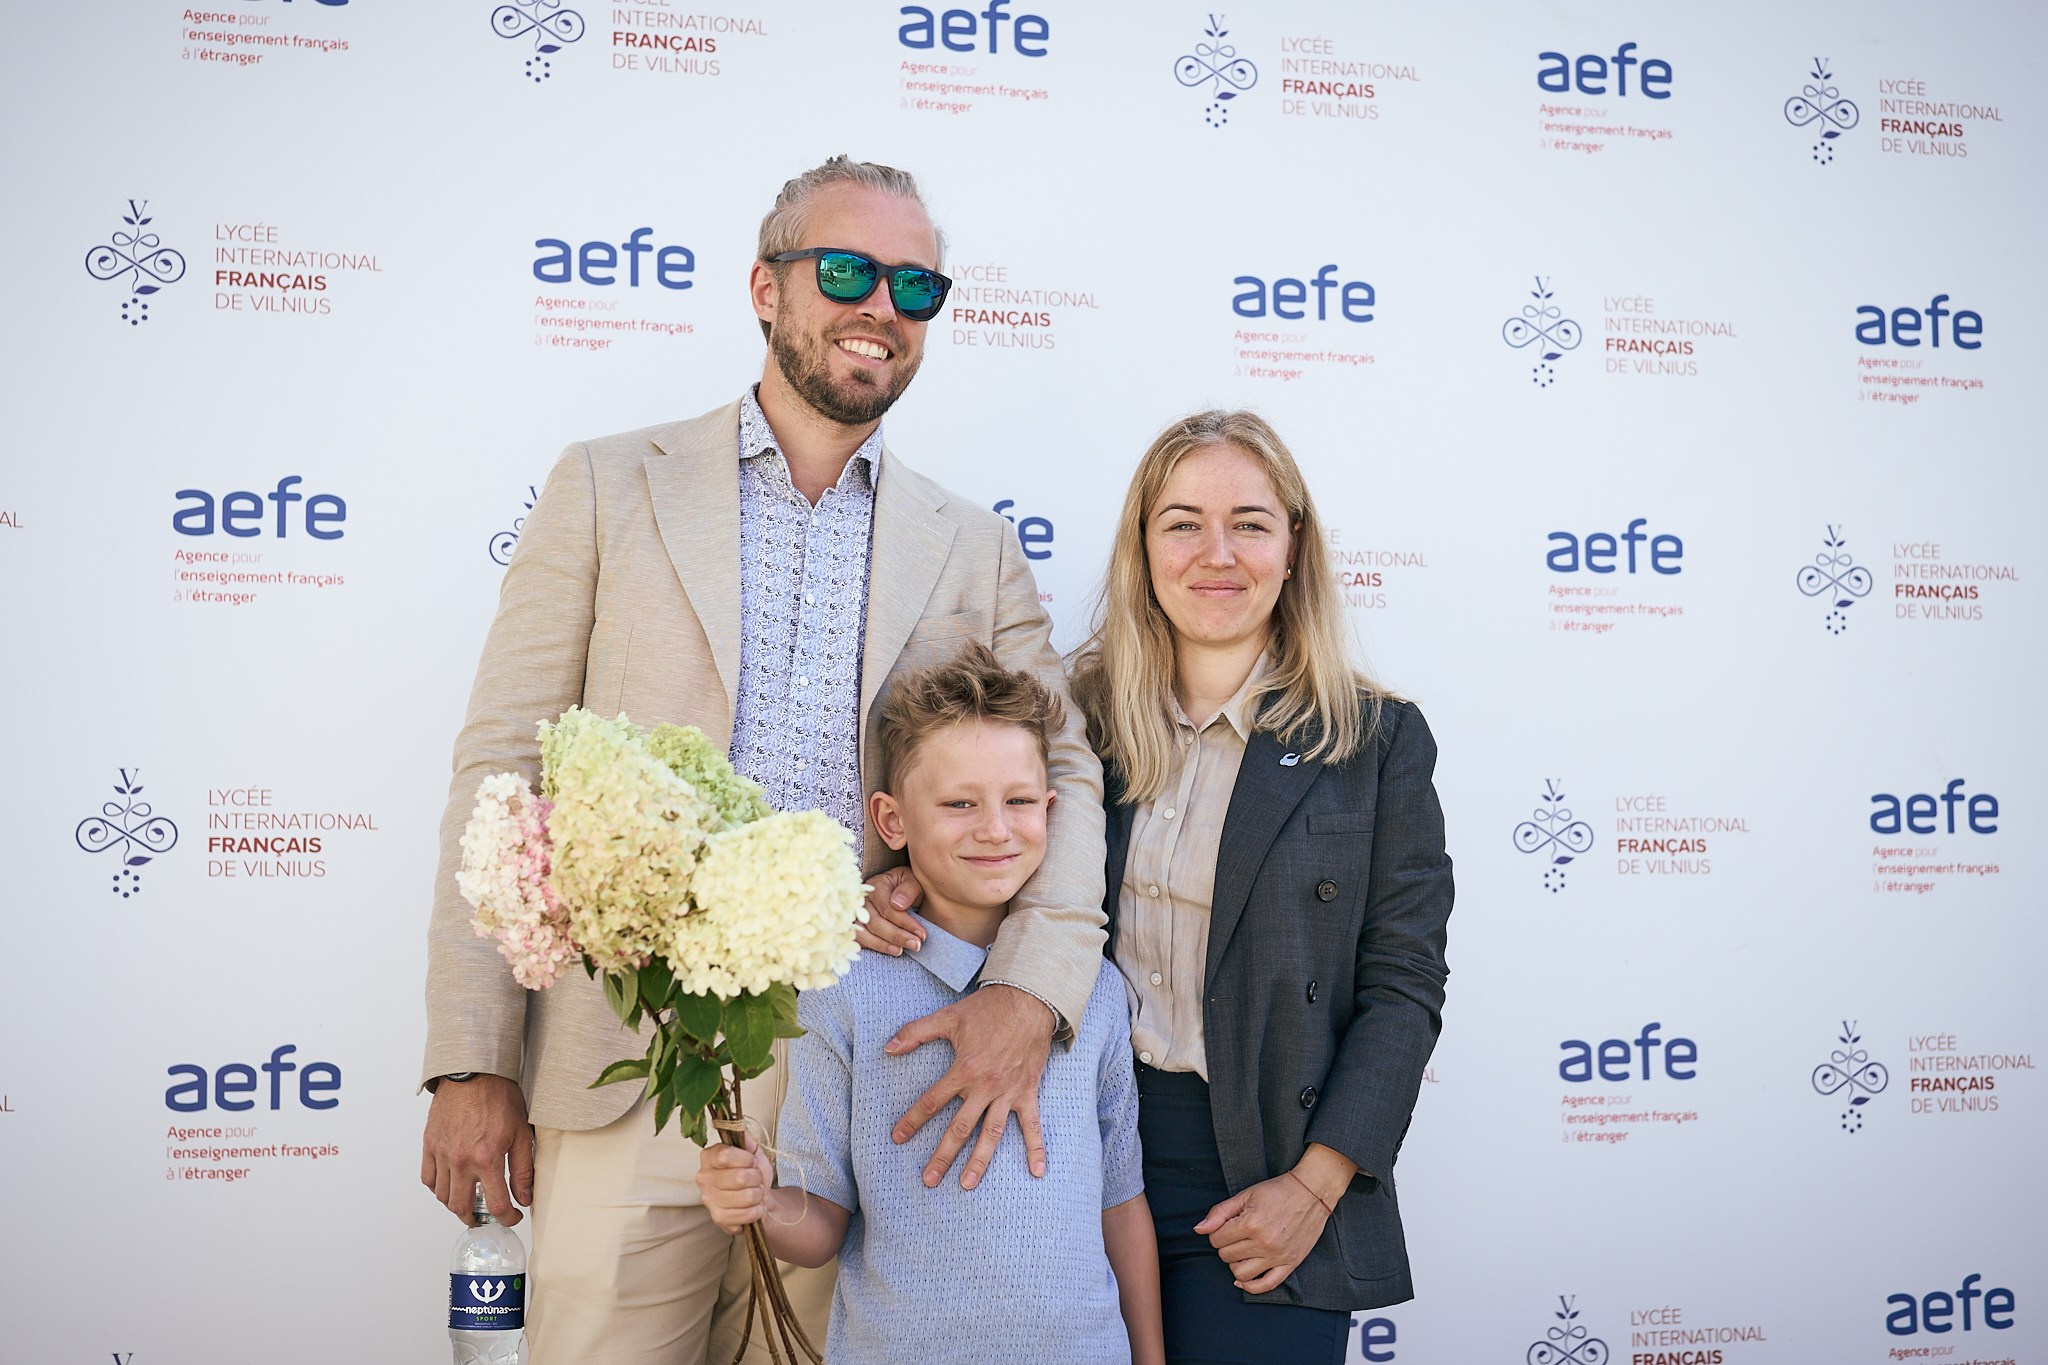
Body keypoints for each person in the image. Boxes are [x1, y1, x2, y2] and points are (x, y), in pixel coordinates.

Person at [418, 156, 1108, 1365]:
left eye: (913, 285)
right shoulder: (606, 485)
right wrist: (471, 1060)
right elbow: (500, 777)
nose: (878, 305)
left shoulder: (973, 547)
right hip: (631, 1061)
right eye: (844, 269)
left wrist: (1031, 989)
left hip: (872, 1074)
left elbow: (1070, 777)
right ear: (764, 288)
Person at [866, 409, 1453, 1362]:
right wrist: (898, 888)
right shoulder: (1074, 718)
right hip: (1064, 1144)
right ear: (1142, 547)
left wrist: (1316, 1184)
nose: (1215, 552)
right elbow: (988, 848)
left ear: (1294, 546)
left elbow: (1404, 987)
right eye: (1182, 522)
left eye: (1250, 522)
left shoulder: (1374, 742)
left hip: (1267, 1167)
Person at [698, 643, 1165, 1365]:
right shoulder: (841, 987)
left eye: (1018, 801)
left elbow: (1121, 1200)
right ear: (891, 820)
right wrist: (759, 1200)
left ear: (1050, 809)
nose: (994, 829)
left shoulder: (1092, 988)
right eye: (958, 803)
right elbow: (820, 1224)